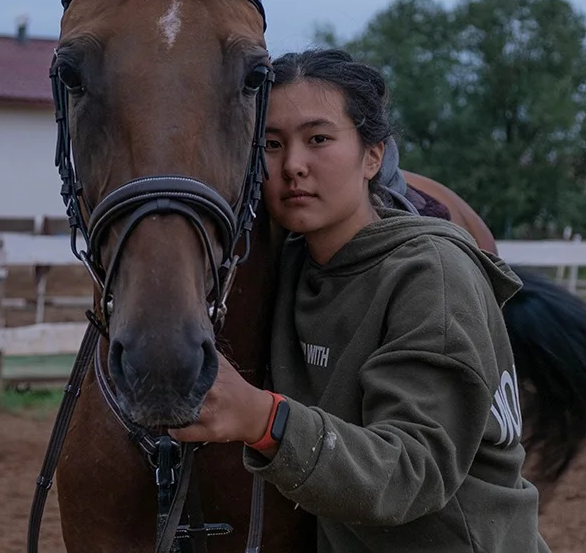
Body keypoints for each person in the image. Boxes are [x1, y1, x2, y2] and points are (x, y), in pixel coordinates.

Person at [169, 48, 551, 552]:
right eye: (272, 143)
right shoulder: (294, 263)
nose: (293, 166)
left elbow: (410, 472)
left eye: (319, 139)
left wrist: (264, 419)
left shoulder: (430, 276)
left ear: (373, 156)